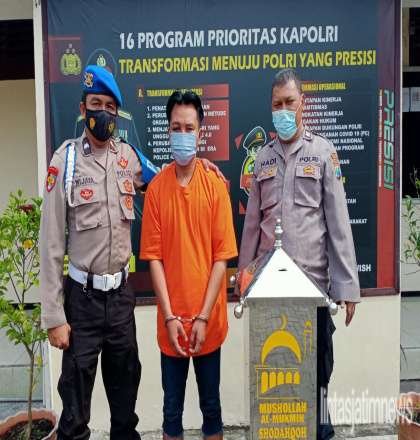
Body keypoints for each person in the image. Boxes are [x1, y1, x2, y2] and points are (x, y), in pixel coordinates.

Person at [40, 66, 223, 440]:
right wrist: (54, 316)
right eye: (96, 105)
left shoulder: (130, 158)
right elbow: (50, 242)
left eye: (110, 107)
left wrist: (201, 164)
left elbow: (171, 177)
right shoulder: (66, 161)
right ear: (83, 109)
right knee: (74, 412)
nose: (103, 113)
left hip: (121, 300)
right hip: (82, 301)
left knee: (125, 410)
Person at [238, 68, 361, 440]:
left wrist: (348, 288)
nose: (283, 110)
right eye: (277, 104)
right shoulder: (262, 159)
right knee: (276, 382)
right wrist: (243, 278)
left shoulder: (322, 153)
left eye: (289, 102)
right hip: (269, 296)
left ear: (302, 103)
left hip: (313, 294)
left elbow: (338, 223)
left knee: (317, 379)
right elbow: (252, 226)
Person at [140, 90, 238, 440]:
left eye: (189, 128)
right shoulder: (156, 190)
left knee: (212, 408)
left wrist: (203, 317)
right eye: (176, 127)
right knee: (171, 412)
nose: (182, 134)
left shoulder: (215, 186)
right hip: (172, 327)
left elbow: (221, 258)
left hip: (208, 322)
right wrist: (170, 317)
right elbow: (153, 258)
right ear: (168, 130)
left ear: (200, 132)